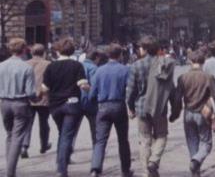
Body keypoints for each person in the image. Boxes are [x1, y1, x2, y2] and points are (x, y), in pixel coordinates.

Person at [126, 36, 181, 177]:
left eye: (140, 47)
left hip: (142, 108)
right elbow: (170, 89)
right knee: (161, 136)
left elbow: (130, 91)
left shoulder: (136, 66)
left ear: (144, 49)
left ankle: (146, 172)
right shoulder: (164, 65)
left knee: (144, 140)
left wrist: (130, 107)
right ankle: (154, 161)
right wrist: (175, 110)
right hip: (160, 108)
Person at [42, 37, 90, 177]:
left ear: (57, 51)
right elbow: (83, 85)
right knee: (67, 135)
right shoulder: (77, 66)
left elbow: (45, 88)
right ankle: (62, 169)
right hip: (71, 104)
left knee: (62, 133)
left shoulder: (51, 66)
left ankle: (62, 159)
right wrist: (89, 88)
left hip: (55, 106)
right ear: (72, 51)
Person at [89, 43, 133, 177]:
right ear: (120, 55)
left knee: (100, 140)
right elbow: (130, 90)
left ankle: (95, 168)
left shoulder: (99, 71)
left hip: (103, 107)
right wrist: (131, 106)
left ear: (108, 55)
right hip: (118, 105)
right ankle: (125, 169)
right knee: (123, 139)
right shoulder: (125, 70)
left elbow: (92, 94)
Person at [177, 50, 215, 177]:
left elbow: (177, 98)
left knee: (192, 141)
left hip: (188, 113)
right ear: (203, 61)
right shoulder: (208, 77)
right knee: (207, 143)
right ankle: (196, 161)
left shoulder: (182, 77)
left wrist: (175, 113)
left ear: (190, 61)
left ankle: (195, 169)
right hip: (203, 113)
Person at [0, 38, 35, 177]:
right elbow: (30, 92)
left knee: (9, 135)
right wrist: (38, 97)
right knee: (17, 137)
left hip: (4, 103)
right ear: (24, 49)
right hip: (20, 103)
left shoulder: (1, 66)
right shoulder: (27, 68)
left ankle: (9, 168)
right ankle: (10, 172)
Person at [22, 43, 51, 158]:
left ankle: (24, 146)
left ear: (31, 52)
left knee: (27, 123)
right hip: (44, 98)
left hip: (28, 98)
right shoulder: (48, 64)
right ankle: (44, 145)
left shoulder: (25, 64)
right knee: (44, 123)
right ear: (44, 52)